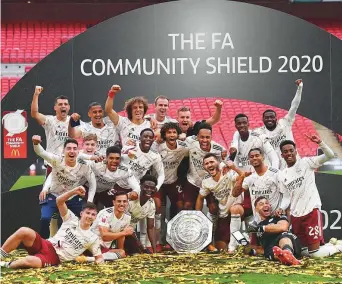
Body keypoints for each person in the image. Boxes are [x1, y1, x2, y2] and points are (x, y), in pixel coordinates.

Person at [0, 186, 103, 269]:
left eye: (93, 214)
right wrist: (74, 191)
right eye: (87, 213)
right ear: (81, 213)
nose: (90, 216)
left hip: (54, 257)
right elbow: (59, 201)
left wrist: (98, 263)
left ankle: (5, 265)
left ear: (95, 217)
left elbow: (99, 257)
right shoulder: (71, 219)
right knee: (24, 231)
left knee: (30, 261)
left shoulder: (93, 238)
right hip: (45, 244)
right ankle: (1, 255)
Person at [279, 135, 342, 258]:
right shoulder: (283, 175)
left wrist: (320, 142)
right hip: (296, 215)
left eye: (291, 150)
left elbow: (329, 155)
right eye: (285, 152)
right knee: (302, 252)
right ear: (282, 155)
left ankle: (338, 247)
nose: (289, 153)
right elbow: (286, 197)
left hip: (311, 211)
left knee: (315, 254)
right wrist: (281, 208)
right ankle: (329, 246)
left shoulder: (306, 163)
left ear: (295, 151)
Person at [33, 135, 97, 239]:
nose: (71, 151)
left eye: (74, 149)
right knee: (45, 218)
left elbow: (93, 183)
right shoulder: (57, 160)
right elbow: (41, 152)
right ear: (63, 151)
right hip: (53, 196)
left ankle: (85, 243)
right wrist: (36, 144)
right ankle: (42, 245)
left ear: (78, 152)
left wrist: (89, 201)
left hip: (71, 198)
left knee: (86, 218)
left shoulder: (84, 166)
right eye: (68, 148)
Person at [232, 79, 303, 169]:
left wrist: (299, 88)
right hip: (274, 167)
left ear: (276, 118)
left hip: (292, 164)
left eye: (272, 117)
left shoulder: (285, 123)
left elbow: (294, 106)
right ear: (263, 119)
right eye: (267, 117)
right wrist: (234, 145)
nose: (269, 119)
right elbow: (240, 132)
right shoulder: (259, 132)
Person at [115, 128, 164, 249]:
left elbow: (162, 174)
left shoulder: (154, 156)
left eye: (150, 137)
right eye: (145, 136)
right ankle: (115, 242)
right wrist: (125, 149)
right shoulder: (131, 146)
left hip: (136, 186)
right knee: (118, 214)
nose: (147, 139)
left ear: (153, 139)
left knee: (143, 210)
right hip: (119, 184)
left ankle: (143, 244)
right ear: (140, 138)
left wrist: (157, 187)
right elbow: (119, 158)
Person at [196, 154, 244, 253]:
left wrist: (234, 167)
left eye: (212, 162)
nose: (209, 165)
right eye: (206, 163)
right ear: (204, 167)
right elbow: (200, 198)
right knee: (222, 249)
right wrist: (198, 216)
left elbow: (242, 176)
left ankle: (235, 245)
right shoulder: (206, 182)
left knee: (235, 209)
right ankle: (241, 244)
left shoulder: (228, 173)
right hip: (223, 216)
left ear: (218, 162)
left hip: (236, 211)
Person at [152, 122, 189, 248]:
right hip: (159, 183)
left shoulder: (184, 148)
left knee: (181, 206)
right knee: (157, 208)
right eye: (169, 132)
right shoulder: (158, 147)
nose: (172, 135)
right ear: (164, 135)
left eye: (174, 132)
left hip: (174, 181)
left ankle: (175, 239)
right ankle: (158, 241)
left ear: (178, 134)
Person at [232, 148, 290, 219]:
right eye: (251, 157)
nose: (254, 158)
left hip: (276, 218)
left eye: (257, 155)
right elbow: (235, 194)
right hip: (259, 222)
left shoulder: (275, 173)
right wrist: (241, 177)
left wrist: (281, 208)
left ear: (263, 157)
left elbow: (286, 195)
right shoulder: (250, 177)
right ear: (249, 160)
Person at [76, 191, 131, 263]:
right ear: (114, 202)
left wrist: (121, 252)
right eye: (119, 201)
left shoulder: (127, 216)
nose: (122, 204)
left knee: (122, 252)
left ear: (127, 203)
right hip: (91, 244)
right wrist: (124, 233)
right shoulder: (106, 213)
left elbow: (121, 236)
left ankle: (88, 259)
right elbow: (104, 237)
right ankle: (91, 258)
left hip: (104, 248)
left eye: (124, 201)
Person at [247, 196, 301, 266]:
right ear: (256, 209)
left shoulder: (277, 216)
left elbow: (283, 227)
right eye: (261, 204)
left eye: (266, 203)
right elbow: (258, 248)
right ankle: (284, 257)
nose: (265, 205)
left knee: (284, 236)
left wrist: (261, 228)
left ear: (270, 206)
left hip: (290, 244)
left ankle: (288, 253)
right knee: (269, 250)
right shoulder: (256, 227)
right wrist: (247, 247)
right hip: (272, 249)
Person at [30, 86, 70, 176]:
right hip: (52, 163)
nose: (63, 106)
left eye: (65, 104)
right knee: (50, 189)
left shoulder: (74, 122)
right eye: (60, 104)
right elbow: (34, 113)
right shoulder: (49, 121)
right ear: (55, 107)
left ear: (69, 107)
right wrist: (36, 94)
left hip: (69, 164)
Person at [124, 175, 158, 255]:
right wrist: (140, 245)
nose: (149, 190)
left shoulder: (151, 204)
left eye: (152, 188)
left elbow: (150, 227)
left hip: (130, 232)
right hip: (117, 229)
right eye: (146, 187)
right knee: (135, 251)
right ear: (140, 186)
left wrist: (155, 251)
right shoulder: (131, 197)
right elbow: (124, 224)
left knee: (139, 251)